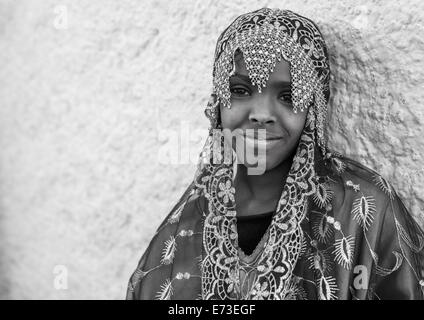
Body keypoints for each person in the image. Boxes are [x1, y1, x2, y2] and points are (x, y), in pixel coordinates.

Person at [126, 7, 424, 300]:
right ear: (216, 102)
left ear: (314, 108)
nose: (262, 114)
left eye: (288, 96)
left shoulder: (364, 211)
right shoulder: (189, 222)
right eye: (241, 90)